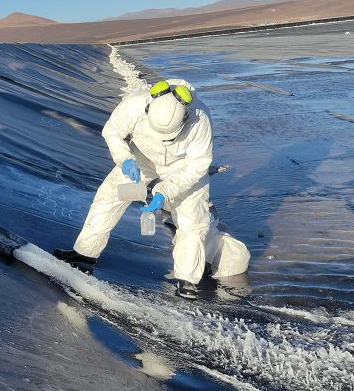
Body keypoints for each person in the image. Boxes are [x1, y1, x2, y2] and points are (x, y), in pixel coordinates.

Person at [54, 79, 250, 299]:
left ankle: (187, 282)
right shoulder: (135, 104)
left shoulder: (200, 119)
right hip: (140, 162)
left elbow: (197, 166)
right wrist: (125, 159)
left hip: (181, 168)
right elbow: (112, 132)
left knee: (192, 220)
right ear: (148, 109)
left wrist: (165, 191)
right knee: (109, 198)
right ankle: (84, 256)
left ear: (185, 117)